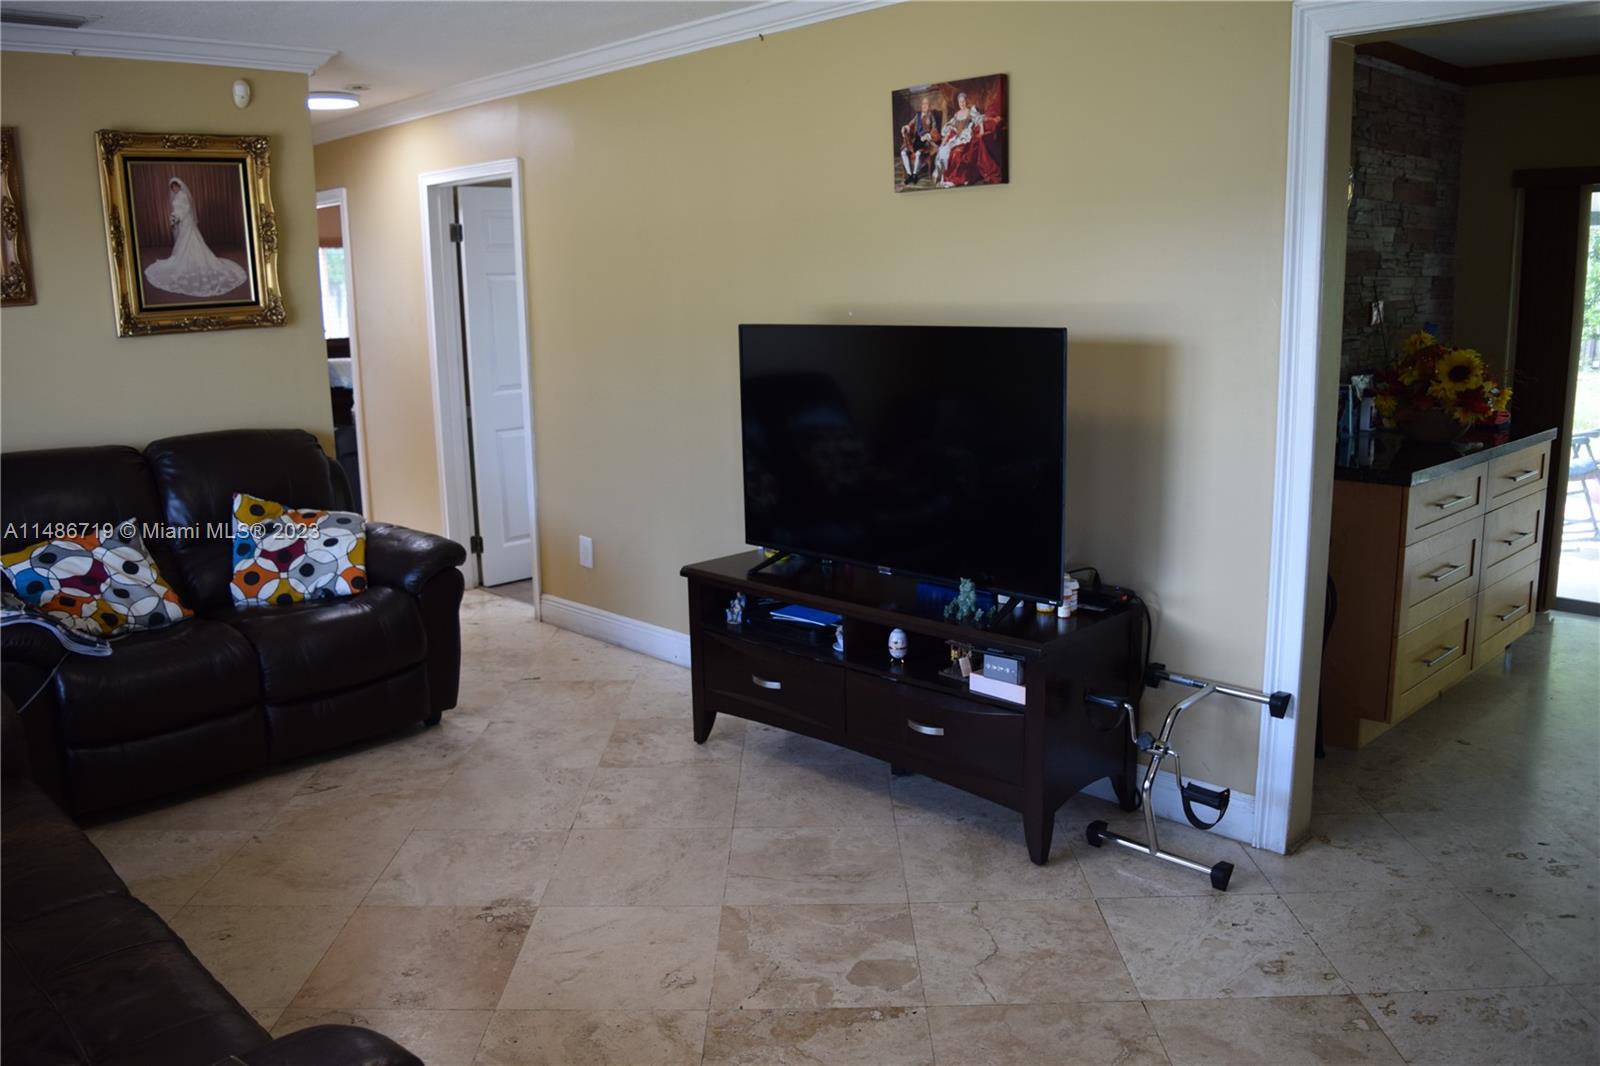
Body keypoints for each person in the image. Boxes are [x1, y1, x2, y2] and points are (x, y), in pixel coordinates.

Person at [143, 177, 248, 298]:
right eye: (172, 187)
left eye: (175, 186)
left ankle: (193, 258)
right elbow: (178, 209)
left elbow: (186, 209)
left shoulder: (183, 195)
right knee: (183, 240)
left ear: (179, 186)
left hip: (186, 221)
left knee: (189, 239)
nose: (174, 189)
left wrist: (176, 217)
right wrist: (174, 218)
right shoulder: (177, 196)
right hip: (182, 222)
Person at [932, 90, 1001, 188]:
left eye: (963, 101)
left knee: (956, 153)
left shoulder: (969, 112)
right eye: (960, 102)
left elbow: (979, 119)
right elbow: (950, 128)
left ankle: (954, 177)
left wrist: (981, 131)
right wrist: (944, 141)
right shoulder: (956, 114)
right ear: (958, 103)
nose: (962, 104)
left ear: (966, 101)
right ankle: (941, 175)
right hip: (956, 137)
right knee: (943, 150)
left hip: (965, 137)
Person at [899, 97, 941, 186]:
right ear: (921, 105)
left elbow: (934, 129)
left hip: (925, 142)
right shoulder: (917, 115)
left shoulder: (931, 116)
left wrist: (928, 135)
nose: (924, 105)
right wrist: (905, 127)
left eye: (926, 104)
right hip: (915, 140)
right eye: (923, 104)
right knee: (903, 152)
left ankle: (915, 175)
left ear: (929, 106)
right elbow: (910, 124)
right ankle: (909, 174)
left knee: (918, 153)